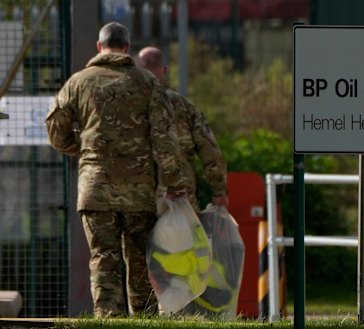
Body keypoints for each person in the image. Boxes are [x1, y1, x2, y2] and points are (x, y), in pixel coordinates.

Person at [45, 22, 189, 318]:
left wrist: (81, 148)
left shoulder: (78, 82)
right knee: (139, 262)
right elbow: (165, 138)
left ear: (99, 47)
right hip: (139, 193)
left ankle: (109, 319)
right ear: (127, 47)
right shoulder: (148, 83)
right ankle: (145, 320)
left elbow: (55, 129)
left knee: (103, 259)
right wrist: (175, 183)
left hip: (95, 188)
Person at [135, 46, 228, 212]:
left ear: (137, 71)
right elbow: (210, 150)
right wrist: (218, 190)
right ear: (165, 70)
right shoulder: (184, 106)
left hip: (138, 198)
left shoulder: (127, 106)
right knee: (185, 238)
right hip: (181, 198)